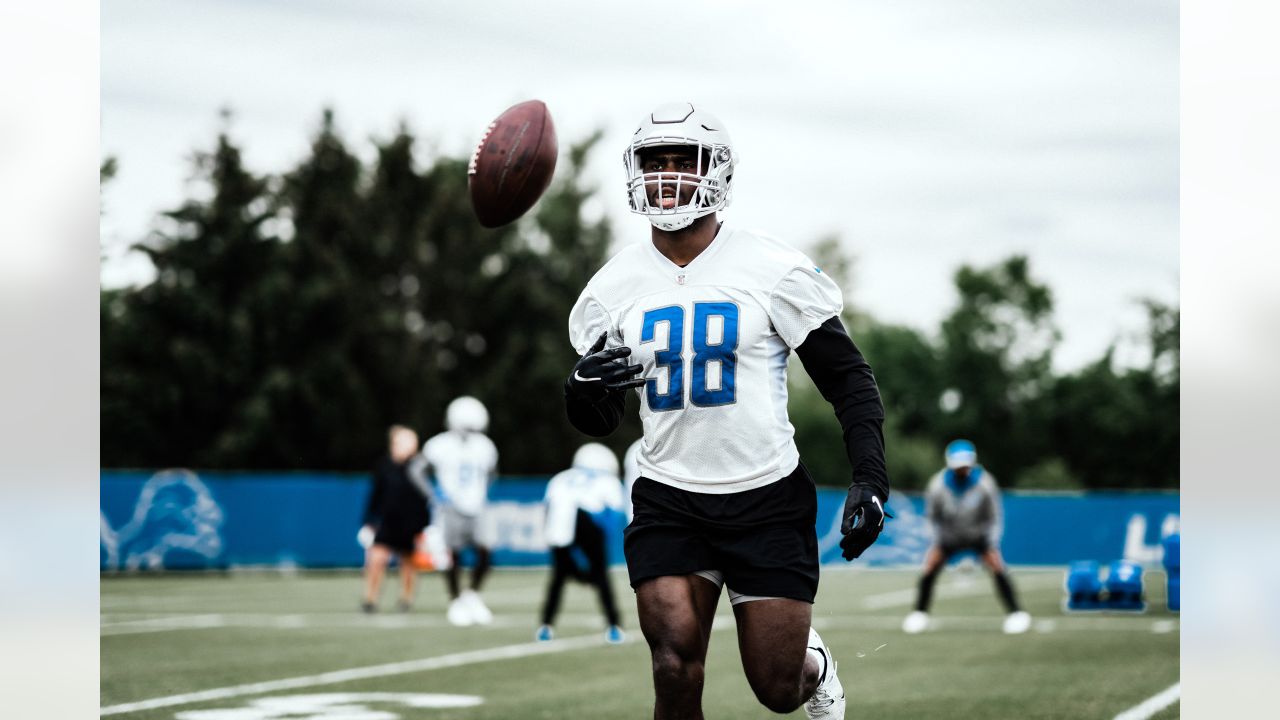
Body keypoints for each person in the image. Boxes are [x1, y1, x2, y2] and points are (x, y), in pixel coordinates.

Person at [563, 102, 890, 720]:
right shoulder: (611, 289)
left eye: (681, 161)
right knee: (673, 664)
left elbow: (849, 379)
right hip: (668, 495)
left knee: (776, 688)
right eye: (653, 162)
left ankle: (813, 670)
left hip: (765, 496)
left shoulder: (772, 268)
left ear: (716, 171)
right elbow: (599, 416)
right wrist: (580, 390)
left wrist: (870, 476)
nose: (666, 176)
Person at [901, 439, 1031, 635]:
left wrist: (991, 541)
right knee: (929, 567)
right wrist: (936, 542)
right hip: (948, 537)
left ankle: (1016, 614)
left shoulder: (985, 483)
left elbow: (994, 516)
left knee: (997, 565)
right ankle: (919, 614)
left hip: (978, 536)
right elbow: (932, 517)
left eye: (965, 465)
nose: (962, 469)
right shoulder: (937, 485)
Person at [412, 396, 499, 626]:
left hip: (477, 505)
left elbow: (492, 473)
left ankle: (471, 595)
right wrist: (434, 495)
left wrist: (481, 492)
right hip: (451, 506)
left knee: (486, 551)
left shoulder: (485, 446)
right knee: (453, 555)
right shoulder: (439, 444)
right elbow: (417, 470)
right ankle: (456, 600)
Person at [537, 442, 627, 644]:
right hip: (588, 520)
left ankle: (546, 626)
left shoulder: (560, 478)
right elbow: (612, 515)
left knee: (558, 578)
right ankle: (614, 626)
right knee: (601, 577)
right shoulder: (608, 481)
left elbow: (547, 508)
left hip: (559, 523)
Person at [360, 425, 430, 613]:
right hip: (387, 522)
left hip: (410, 524)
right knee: (376, 559)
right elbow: (376, 495)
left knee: (408, 563)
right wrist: (368, 521)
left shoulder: (418, 467)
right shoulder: (384, 466)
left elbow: (425, 498)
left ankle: (405, 599)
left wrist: (424, 526)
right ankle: (370, 599)